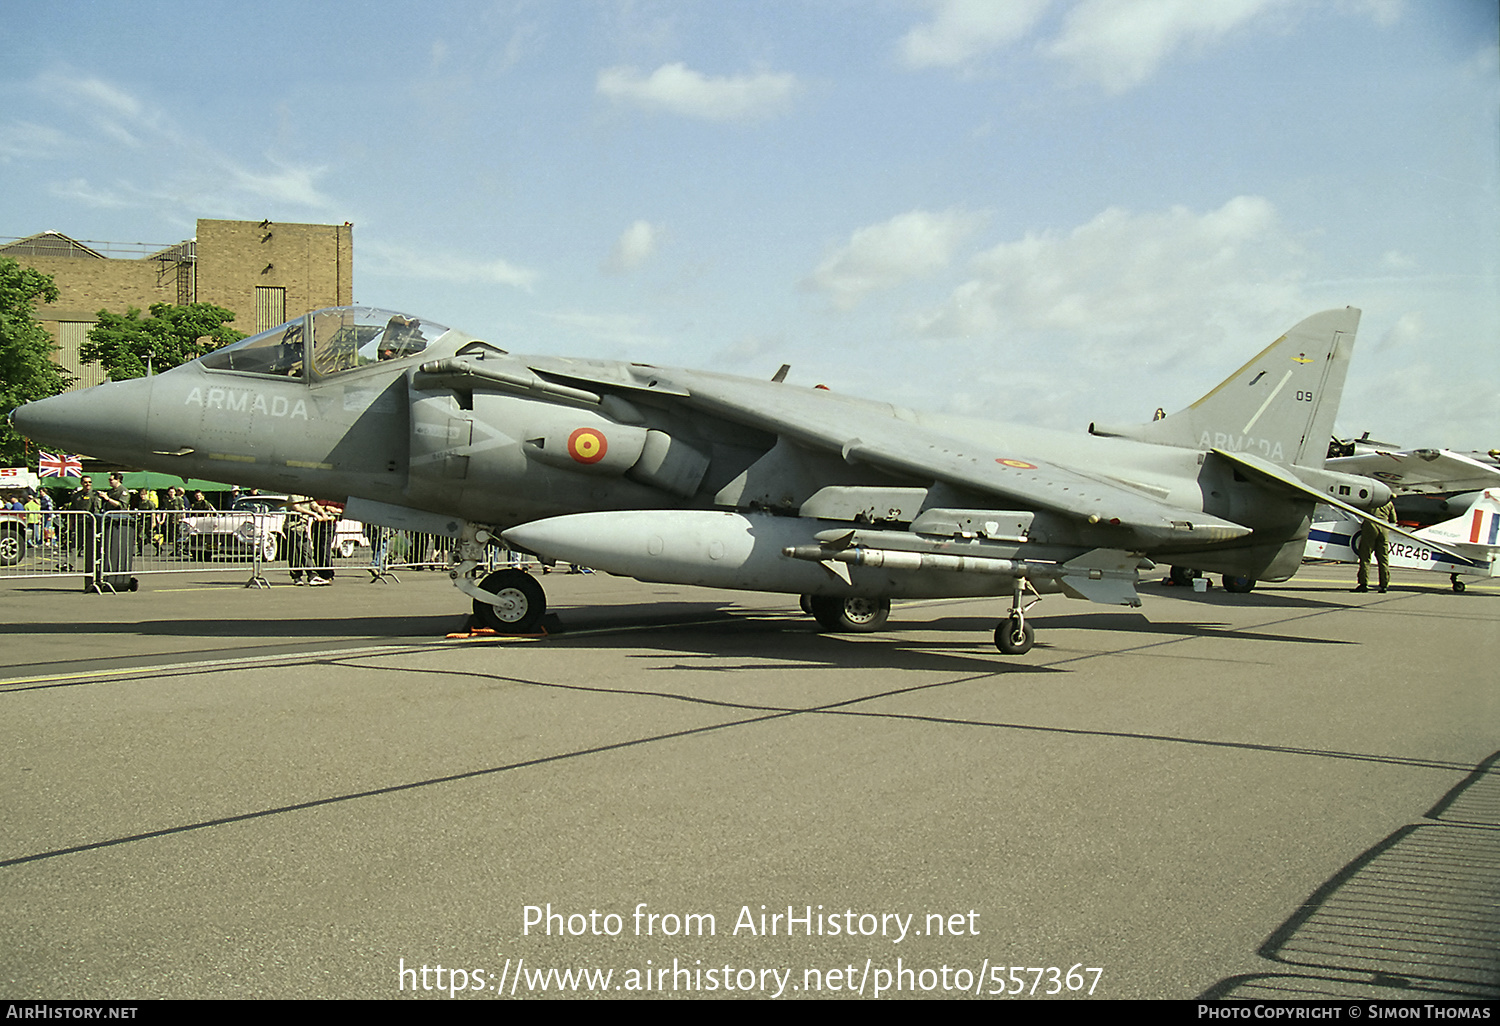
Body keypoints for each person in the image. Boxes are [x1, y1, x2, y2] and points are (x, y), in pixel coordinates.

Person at [1354, 499, 1397, 593]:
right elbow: (1393, 519)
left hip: (1370, 524)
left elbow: (1358, 510)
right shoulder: (1389, 503)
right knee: (1383, 558)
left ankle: (1363, 583)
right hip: (1384, 526)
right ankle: (1384, 585)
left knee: (1365, 556)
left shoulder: (1372, 500)